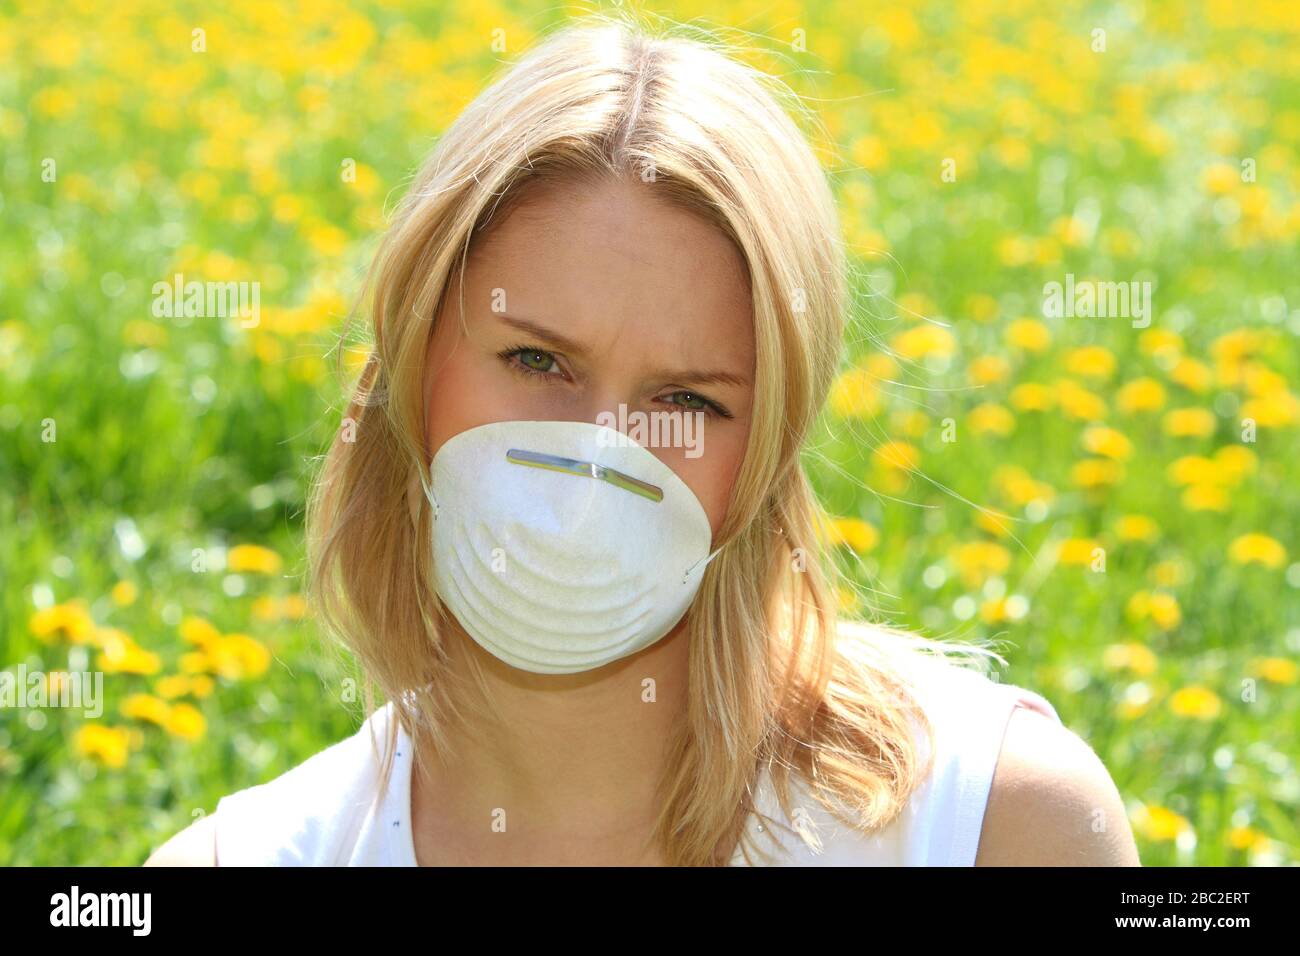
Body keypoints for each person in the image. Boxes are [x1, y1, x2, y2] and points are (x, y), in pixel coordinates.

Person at [145, 15, 1140, 867]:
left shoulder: (996, 825)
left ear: (766, 455)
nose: (593, 462)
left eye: (688, 400)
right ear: (409, 364)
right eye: (536, 360)